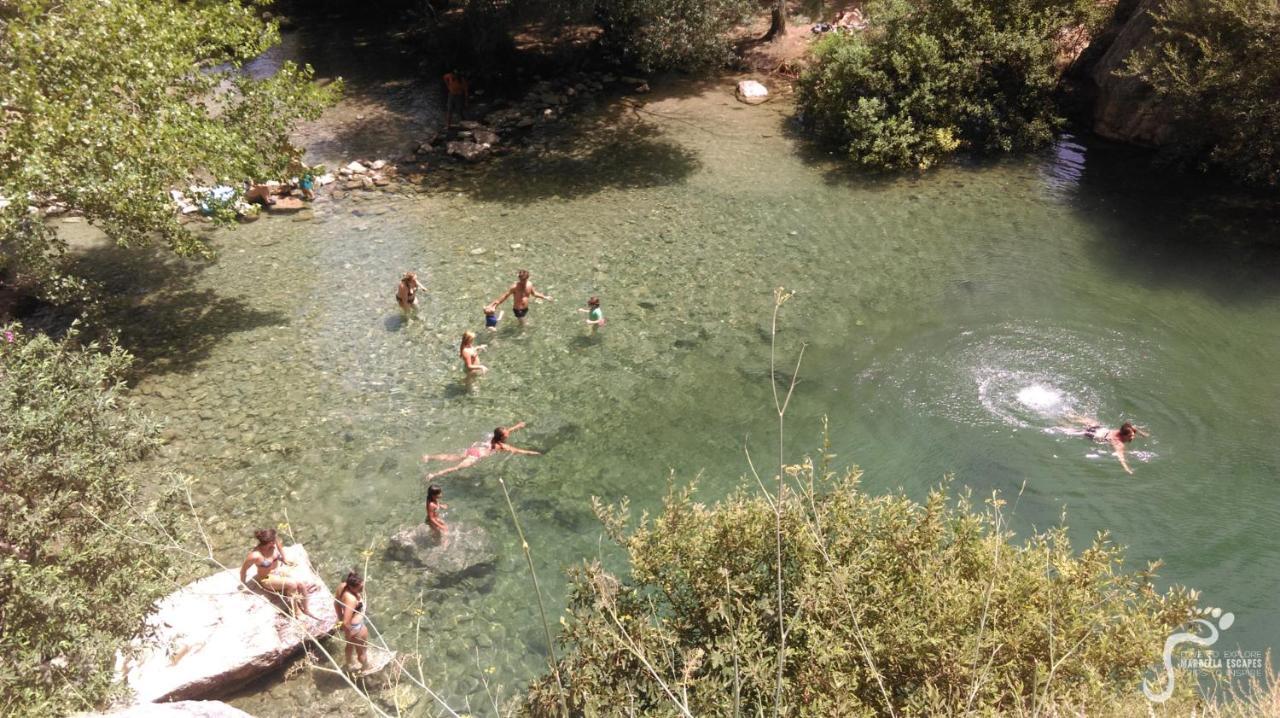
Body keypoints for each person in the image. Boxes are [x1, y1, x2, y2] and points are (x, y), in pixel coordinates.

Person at [238, 528, 319, 620]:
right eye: (274, 540)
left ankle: (306, 609)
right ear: (270, 542)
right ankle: (296, 612)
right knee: (292, 585)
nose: (276, 541)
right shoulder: (255, 556)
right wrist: (243, 584)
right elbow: (243, 570)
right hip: (266, 578)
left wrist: (284, 559)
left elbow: (279, 545)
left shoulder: (274, 543)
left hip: (277, 572)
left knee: (301, 584)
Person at [422, 421, 540, 480]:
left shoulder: (493, 436)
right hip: (476, 456)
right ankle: (434, 475)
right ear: (502, 438)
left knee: (452, 456)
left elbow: (506, 430)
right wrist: (534, 453)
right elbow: (519, 451)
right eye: (506, 435)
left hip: (473, 449)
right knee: (457, 467)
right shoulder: (501, 446)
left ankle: (429, 457)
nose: (508, 435)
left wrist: (518, 426)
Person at [1062, 414, 1149, 475]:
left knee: (1088, 421)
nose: (1132, 437)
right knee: (1069, 430)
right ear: (1123, 435)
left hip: (1099, 429)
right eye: (1130, 436)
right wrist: (1127, 468)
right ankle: (1062, 424)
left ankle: (1070, 416)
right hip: (1093, 435)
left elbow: (1133, 428)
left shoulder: (1126, 429)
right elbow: (1120, 456)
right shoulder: (1118, 442)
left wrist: (1143, 434)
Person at [333, 571, 369, 673]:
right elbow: (346, 622)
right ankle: (366, 667)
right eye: (360, 588)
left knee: (349, 645)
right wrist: (350, 632)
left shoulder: (342, 586)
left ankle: (348, 663)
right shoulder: (351, 600)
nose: (362, 589)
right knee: (362, 651)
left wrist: (340, 617)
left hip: (351, 627)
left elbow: (336, 603)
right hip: (356, 627)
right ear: (352, 587)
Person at [488, 269, 553, 326]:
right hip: (518, 310)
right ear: (519, 278)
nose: (523, 281)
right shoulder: (514, 287)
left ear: (527, 278)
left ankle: (517, 323)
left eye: (524, 280)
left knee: (522, 322)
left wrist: (545, 297)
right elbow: (505, 296)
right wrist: (495, 304)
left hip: (525, 309)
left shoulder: (530, 284)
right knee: (525, 325)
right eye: (521, 280)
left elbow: (534, 293)